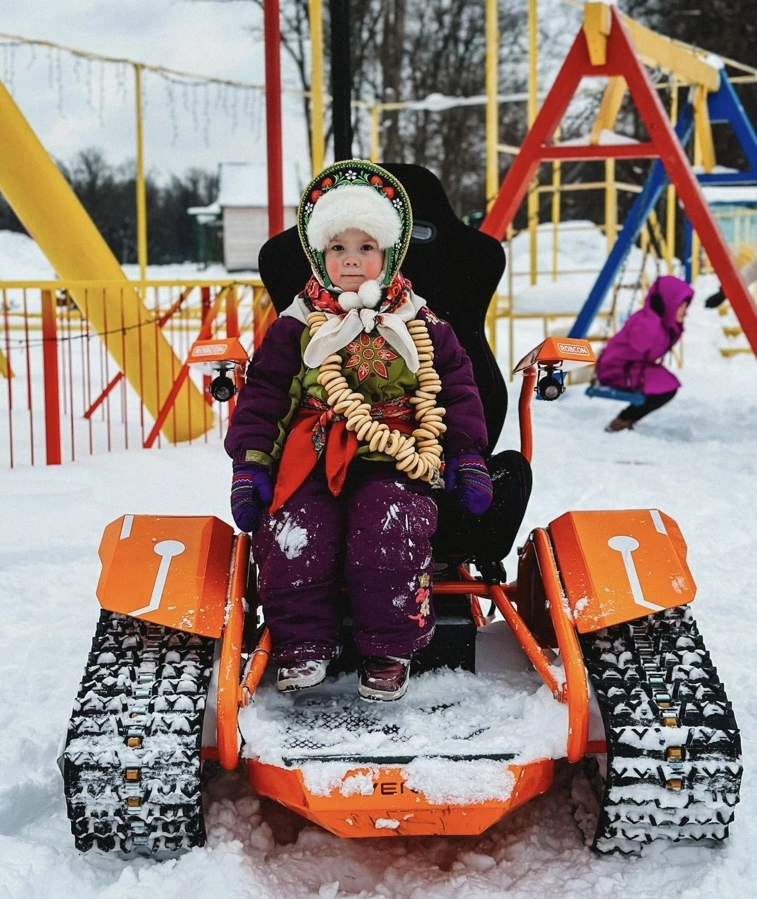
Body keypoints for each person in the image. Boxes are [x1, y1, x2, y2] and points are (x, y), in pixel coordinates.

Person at [224, 160, 492, 702]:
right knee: (293, 528)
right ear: (319, 255)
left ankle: (390, 648)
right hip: (312, 453)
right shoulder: (295, 325)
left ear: (389, 254)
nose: (351, 259)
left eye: (365, 247)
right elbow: (266, 397)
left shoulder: (422, 323)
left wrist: (467, 457)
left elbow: (459, 390)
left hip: (397, 455)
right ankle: (302, 644)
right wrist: (250, 465)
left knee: (389, 522)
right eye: (338, 247)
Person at [595, 274, 693, 432]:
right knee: (665, 388)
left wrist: (675, 326)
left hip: (634, 366)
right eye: (681, 306)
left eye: (685, 307)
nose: (685, 312)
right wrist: (653, 317)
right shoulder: (645, 320)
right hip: (615, 368)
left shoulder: (664, 324)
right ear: (668, 304)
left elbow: (662, 344)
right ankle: (622, 421)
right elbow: (641, 345)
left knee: (668, 384)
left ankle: (625, 419)